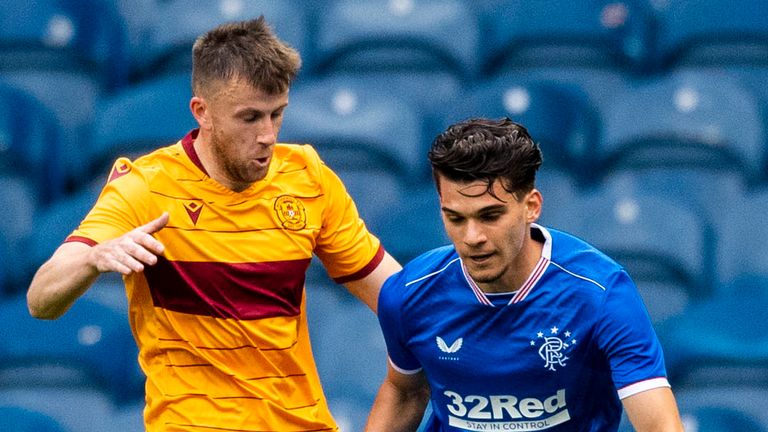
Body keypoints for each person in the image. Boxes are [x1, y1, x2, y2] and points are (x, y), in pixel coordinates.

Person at [26, 17, 401, 431]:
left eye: (277, 114)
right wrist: (93, 258)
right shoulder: (145, 187)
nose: (268, 135)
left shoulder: (308, 177)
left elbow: (399, 297)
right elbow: (41, 298)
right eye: (250, 117)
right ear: (202, 111)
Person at [365, 118, 684, 431]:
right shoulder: (409, 293)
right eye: (456, 218)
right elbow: (405, 391)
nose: (472, 236)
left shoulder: (600, 293)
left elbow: (659, 423)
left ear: (531, 206)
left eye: (490, 215)